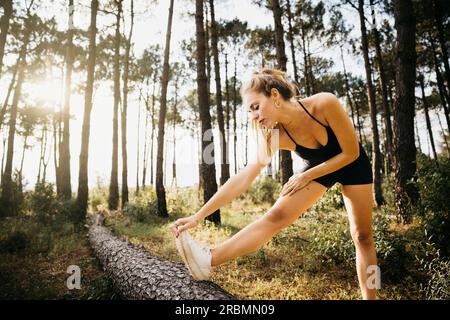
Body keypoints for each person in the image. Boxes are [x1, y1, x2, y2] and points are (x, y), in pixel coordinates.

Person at [170, 68, 378, 300]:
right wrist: (198, 216)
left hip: (353, 165)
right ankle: (209, 258)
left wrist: (306, 176)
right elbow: (245, 176)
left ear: (275, 95)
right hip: (318, 170)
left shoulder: (324, 103)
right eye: (250, 111)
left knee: (362, 236)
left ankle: (372, 296)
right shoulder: (276, 135)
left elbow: (351, 152)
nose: (254, 116)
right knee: (276, 216)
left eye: (256, 107)